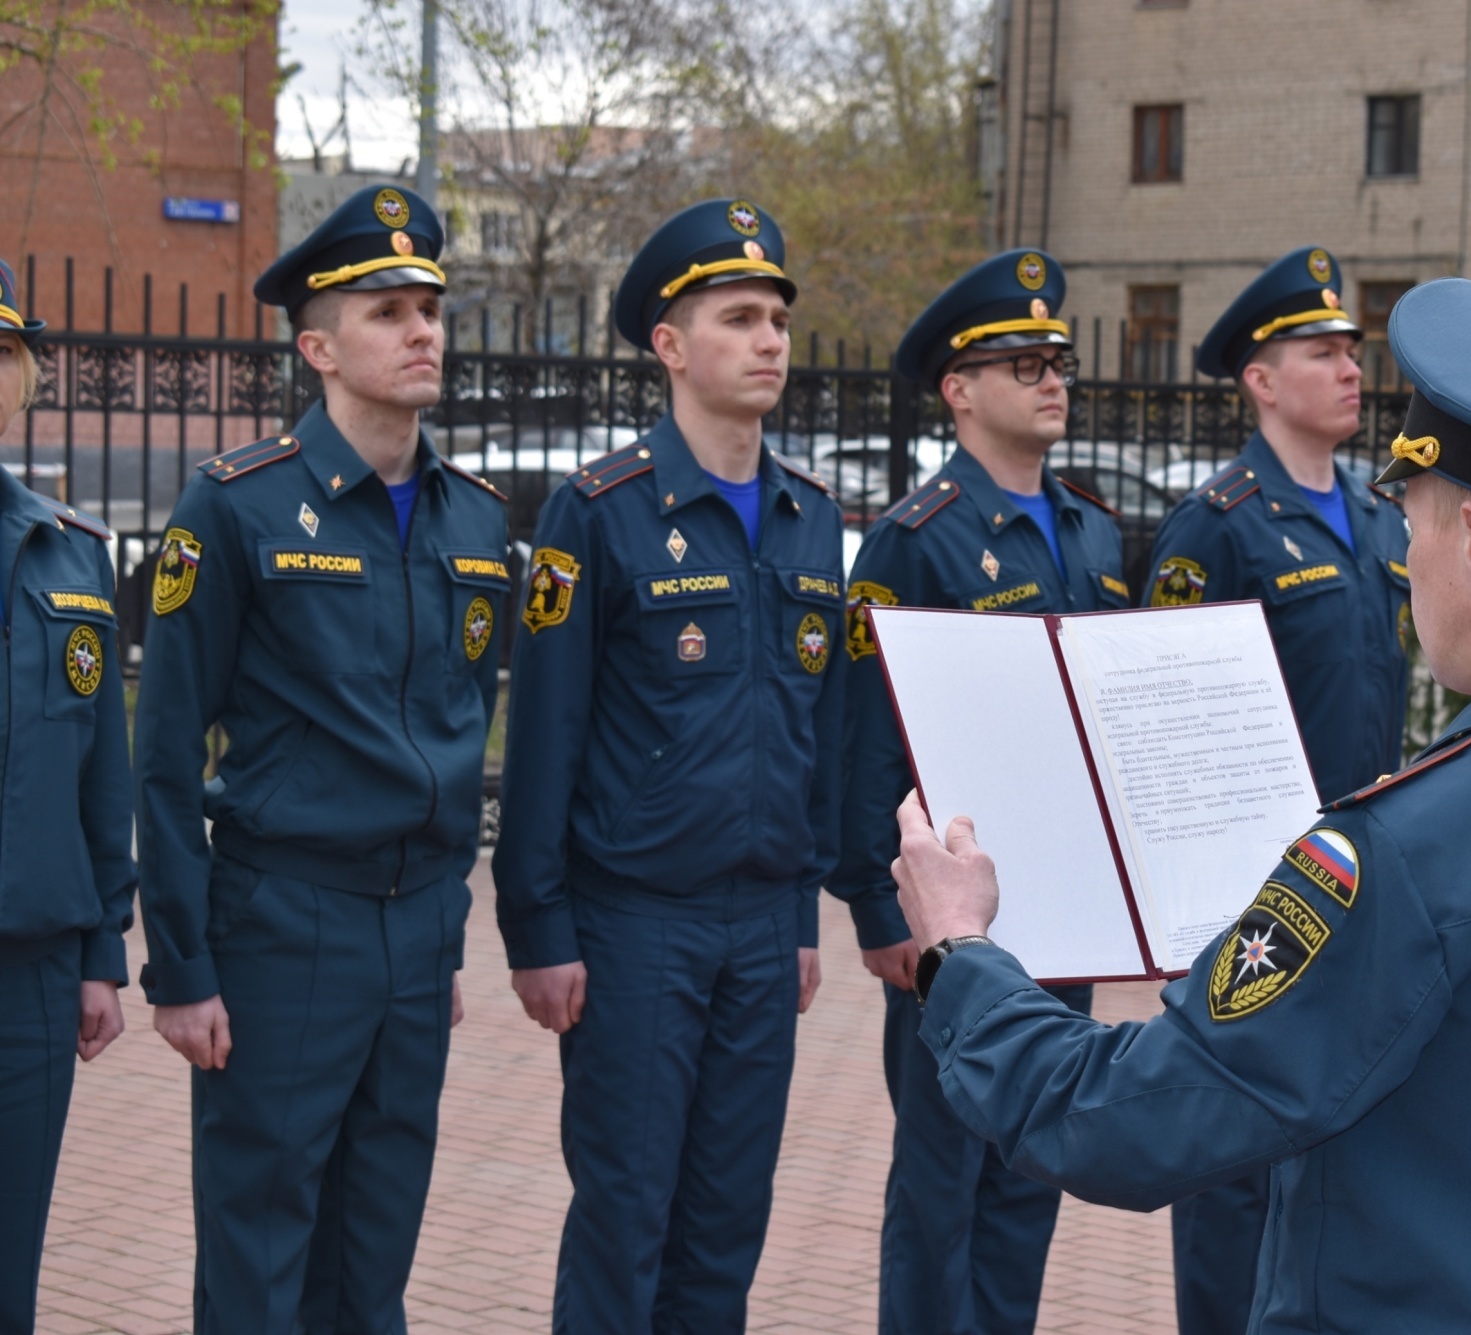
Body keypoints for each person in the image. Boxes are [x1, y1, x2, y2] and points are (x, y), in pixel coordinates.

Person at [887, 277, 1471, 1334]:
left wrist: (959, 953)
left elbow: (1125, 1123)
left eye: (1407, 527)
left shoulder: (1401, 852)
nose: (1404, 565)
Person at [133, 185, 508, 1333]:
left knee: (375, 1248)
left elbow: (457, 731)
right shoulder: (236, 507)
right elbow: (160, 752)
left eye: (430, 309)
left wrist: (437, 937)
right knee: (261, 1248)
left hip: (413, 933)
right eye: (388, 310)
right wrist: (183, 967)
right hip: (282, 923)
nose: (422, 331)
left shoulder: (475, 522)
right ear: (318, 346)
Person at [493, 197, 844, 1334]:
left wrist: (797, 914)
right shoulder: (597, 514)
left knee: (726, 1227)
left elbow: (808, 738)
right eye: (738, 318)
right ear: (669, 345)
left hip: (757, 928)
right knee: (624, 1222)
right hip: (635, 925)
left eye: (777, 319)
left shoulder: (807, 519)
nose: (769, 342)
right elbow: (543, 738)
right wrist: (537, 930)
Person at [830, 248, 1128, 1335]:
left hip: (1069, 913)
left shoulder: (1092, 531)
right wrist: (876, 911)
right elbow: (862, 741)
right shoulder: (913, 542)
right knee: (940, 1183)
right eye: (1020, 364)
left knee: (1027, 1178)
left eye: (1057, 359)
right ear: (958, 391)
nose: (1051, 377)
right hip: (955, 922)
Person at [1146, 247, 1412, 1334]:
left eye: (1352, 349)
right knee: (1231, 1161)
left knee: (1344, 1148)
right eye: (1320, 351)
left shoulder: (1380, 515)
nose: (1350, 368)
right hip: (1249, 894)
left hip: (1361, 876)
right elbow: (1160, 714)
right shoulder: (1216, 524)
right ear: (1259, 380)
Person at [0, 256, 136, 1334]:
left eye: (5, 353)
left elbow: (102, 773)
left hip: (33, 979)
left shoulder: (71, 556)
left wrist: (100, 952)